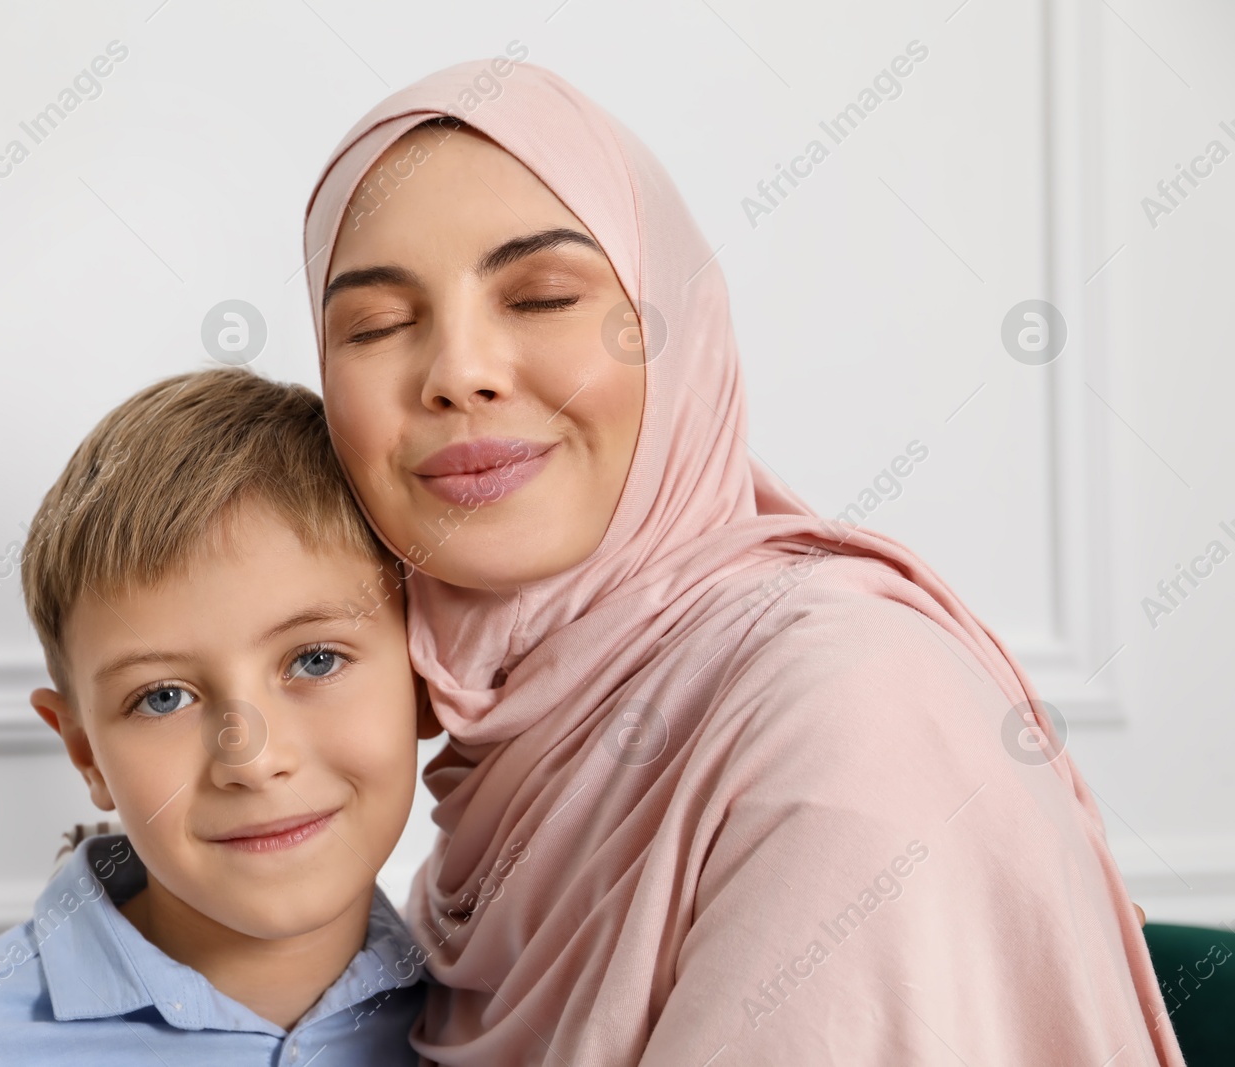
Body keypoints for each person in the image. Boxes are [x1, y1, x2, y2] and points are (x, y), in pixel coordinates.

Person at [303, 61, 1184, 1064]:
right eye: (373, 325)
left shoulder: (854, 711)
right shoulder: (484, 778)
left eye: (542, 295)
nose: (457, 371)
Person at [0, 369, 427, 1064]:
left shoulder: (516, 1002)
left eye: (314, 659)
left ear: (425, 675)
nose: (251, 756)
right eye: (163, 696)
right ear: (84, 751)